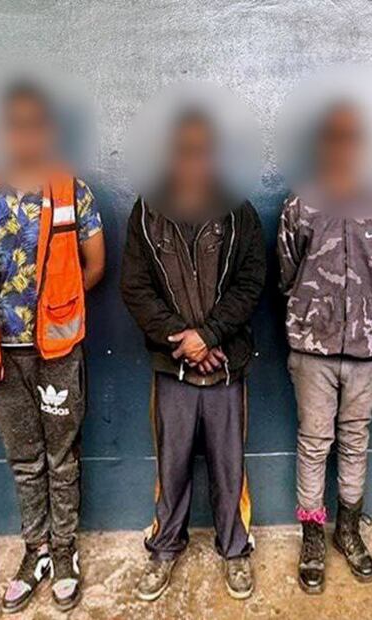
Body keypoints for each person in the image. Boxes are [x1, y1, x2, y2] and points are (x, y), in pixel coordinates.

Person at [0, 82, 105, 613]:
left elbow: (95, 266)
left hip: (57, 353)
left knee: (61, 458)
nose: (25, 136)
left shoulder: (71, 192)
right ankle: (36, 550)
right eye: (14, 125)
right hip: (0, 354)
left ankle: (65, 551)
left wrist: (55, 313)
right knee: (25, 460)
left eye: (34, 125)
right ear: (3, 132)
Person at [121, 109, 265, 602]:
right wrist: (181, 340)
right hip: (172, 368)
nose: (193, 162)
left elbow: (251, 283)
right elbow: (135, 288)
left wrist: (210, 334)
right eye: (184, 151)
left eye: (202, 151)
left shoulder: (238, 212)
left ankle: (235, 550)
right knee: (172, 466)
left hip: (225, 365)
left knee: (230, 468)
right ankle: (164, 547)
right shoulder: (147, 212)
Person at [277, 102, 372, 593]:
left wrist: (363, 319)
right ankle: (312, 535)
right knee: (313, 442)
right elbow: (286, 274)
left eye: (351, 138)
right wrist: (317, 314)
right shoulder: (300, 205)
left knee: (355, 441)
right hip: (312, 349)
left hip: (368, 351)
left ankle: (347, 530)